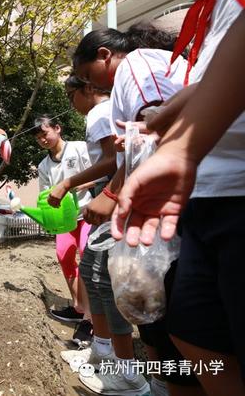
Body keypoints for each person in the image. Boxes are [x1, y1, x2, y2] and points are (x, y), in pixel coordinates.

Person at [113, 0, 245, 396]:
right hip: (202, 193)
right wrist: (164, 121)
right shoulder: (218, 0)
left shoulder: (136, 65)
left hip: (236, 191)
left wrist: (182, 146)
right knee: (193, 332)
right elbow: (213, 78)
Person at [71, 23, 204, 396]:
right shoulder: (145, 71)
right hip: (174, 201)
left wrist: (112, 196)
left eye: (87, 76)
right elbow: (145, 138)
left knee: (183, 326)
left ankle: (143, 377)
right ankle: (159, 381)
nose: (92, 86)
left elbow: (158, 131)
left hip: (181, 203)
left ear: (104, 55)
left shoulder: (137, 66)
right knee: (175, 328)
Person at [57, 75, 148, 395]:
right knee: (92, 273)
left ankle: (125, 374)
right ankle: (102, 351)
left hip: (118, 202)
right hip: (117, 196)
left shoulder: (99, 113)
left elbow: (113, 160)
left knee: (102, 280)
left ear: (89, 89)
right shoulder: (109, 111)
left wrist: (72, 184)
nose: (72, 104)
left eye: (71, 96)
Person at [31, 116, 93, 344]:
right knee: (64, 255)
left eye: (45, 133)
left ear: (57, 128)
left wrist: (73, 186)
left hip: (87, 213)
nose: (43, 140)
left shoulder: (78, 149)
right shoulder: (43, 166)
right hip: (65, 221)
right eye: (38, 138)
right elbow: (47, 197)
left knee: (87, 255)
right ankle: (78, 307)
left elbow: (99, 173)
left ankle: (90, 319)